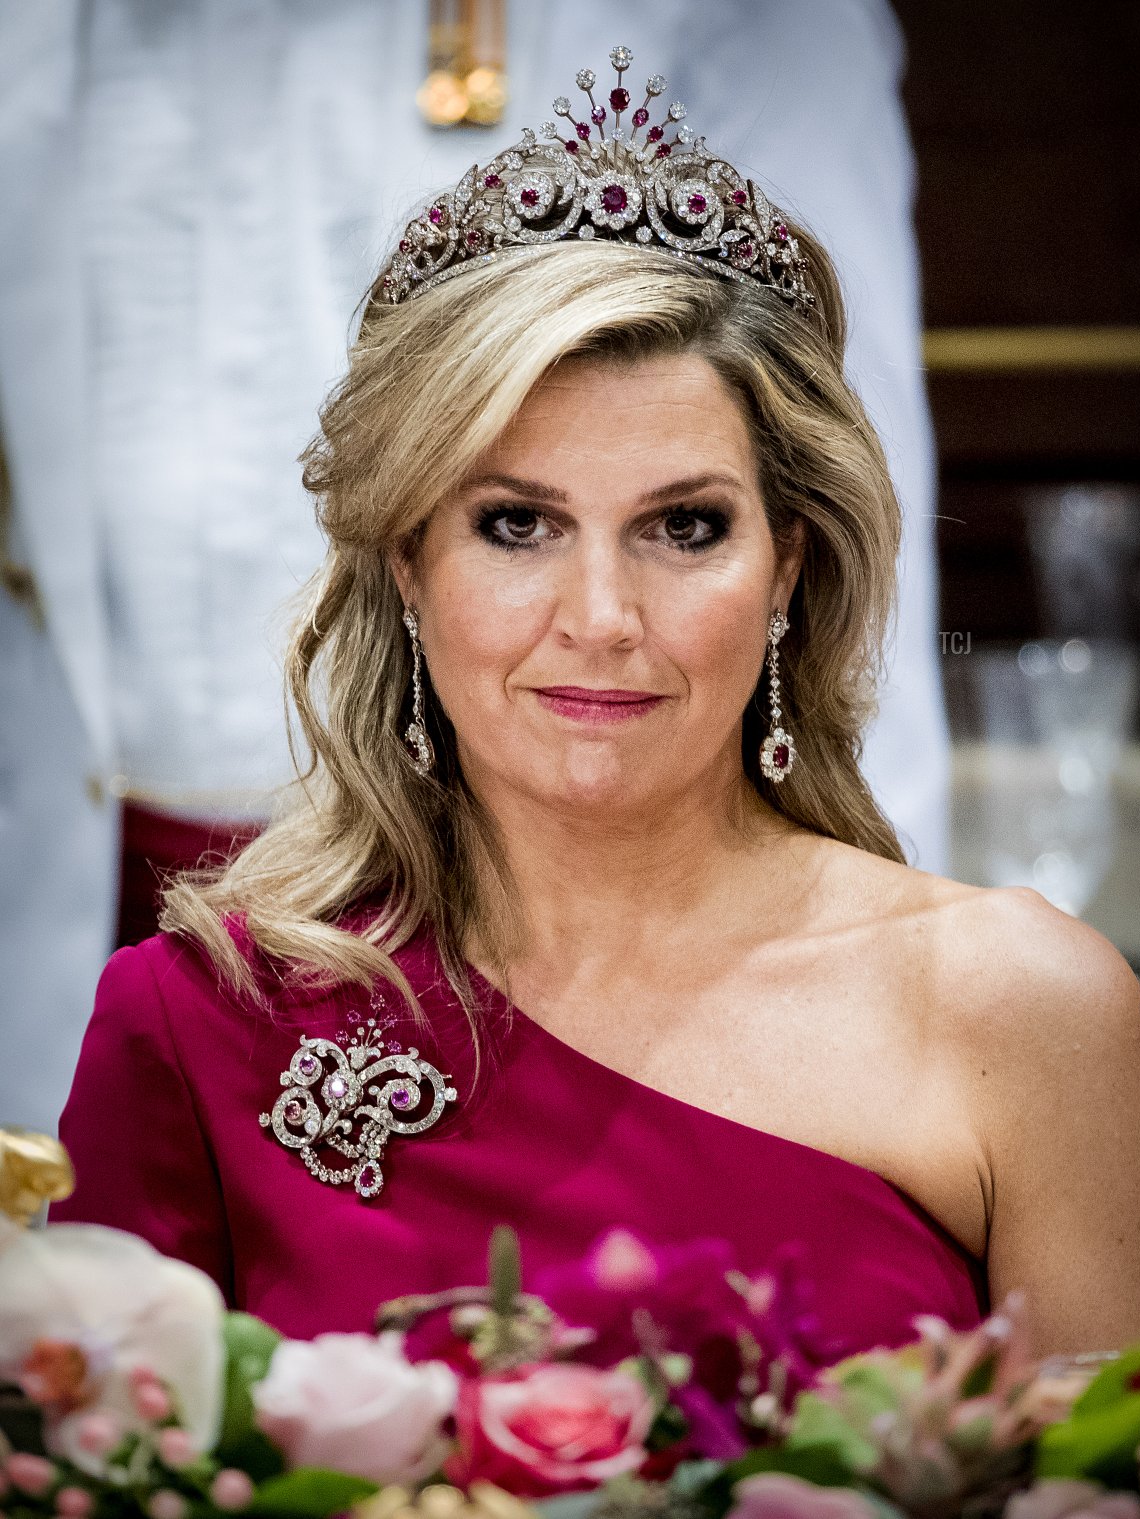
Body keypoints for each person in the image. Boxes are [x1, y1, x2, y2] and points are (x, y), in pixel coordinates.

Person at [51, 52, 1140, 1361]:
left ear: (790, 568)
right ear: (408, 566)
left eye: (685, 525)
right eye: (518, 523)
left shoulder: (1026, 1012)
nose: (600, 613)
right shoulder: (196, 1022)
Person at [1, 0, 947, 1136]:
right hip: (75, 915)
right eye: (515, 527)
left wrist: (872, 1010)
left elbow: (814, 472)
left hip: (568, 908)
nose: (599, 610)